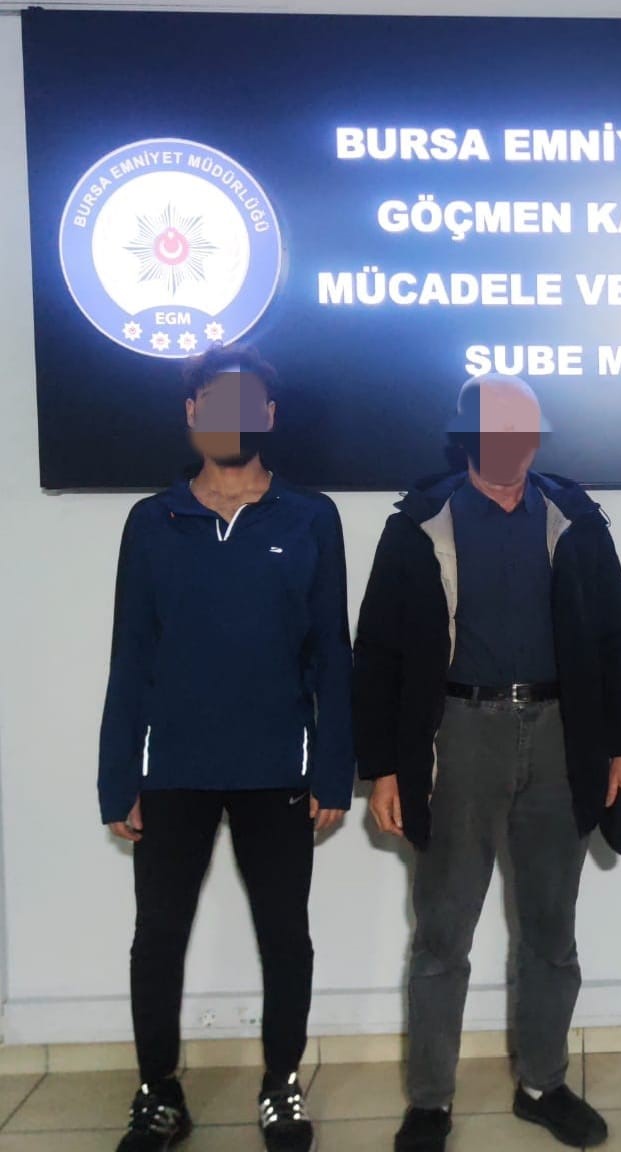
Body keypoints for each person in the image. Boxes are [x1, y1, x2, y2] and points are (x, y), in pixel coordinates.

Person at [352, 374, 621, 1152]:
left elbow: (617, 637)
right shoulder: (420, 525)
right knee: (444, 932)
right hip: (458, 736)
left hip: (562, 737)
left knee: (551, 929)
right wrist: (383, 768)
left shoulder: (575, 520)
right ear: (466, 437)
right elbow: (376, 652)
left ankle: (542, 1084)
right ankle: (430, 1101)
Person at [98, 345, 354, 1152]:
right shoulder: (153, 521)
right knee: (158, 937)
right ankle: (158, 1092)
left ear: (267, 416)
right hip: (173, 769)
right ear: (192, 413)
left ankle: (281, 1085)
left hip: (277, 768)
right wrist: (116, 776)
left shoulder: (310, 517)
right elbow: (131, 655)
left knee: (285, 935)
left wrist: (333, 768)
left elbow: (331, 655)